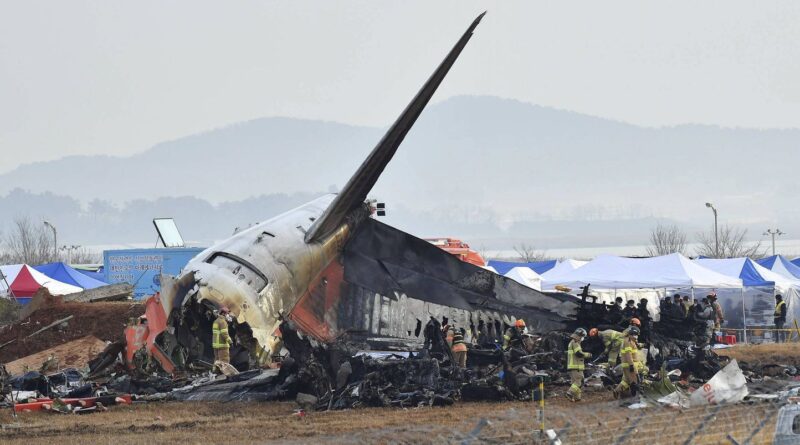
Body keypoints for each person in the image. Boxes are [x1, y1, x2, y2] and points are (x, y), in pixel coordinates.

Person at [614, 326, 640, 398]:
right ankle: (635, 398)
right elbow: (628, 354)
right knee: (634, 382)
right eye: (635, 335)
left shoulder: (629, 340)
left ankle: (616, 391)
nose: (636, 337)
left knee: (626, 381)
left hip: (626, 364)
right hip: (630, 364)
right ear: (631, 334)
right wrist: (631, 365)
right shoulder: (627, 341)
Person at [566, 328, 591, 402]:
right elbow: (579, 354)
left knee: (578, 382)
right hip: (576, 366)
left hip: (573, 366)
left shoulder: (572, 342)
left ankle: (577, 397)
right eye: (583, 337)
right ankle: (569, 393)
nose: (583, 339)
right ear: (580, 336)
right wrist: (588, 355)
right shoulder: (575, 343)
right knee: (578, 382)